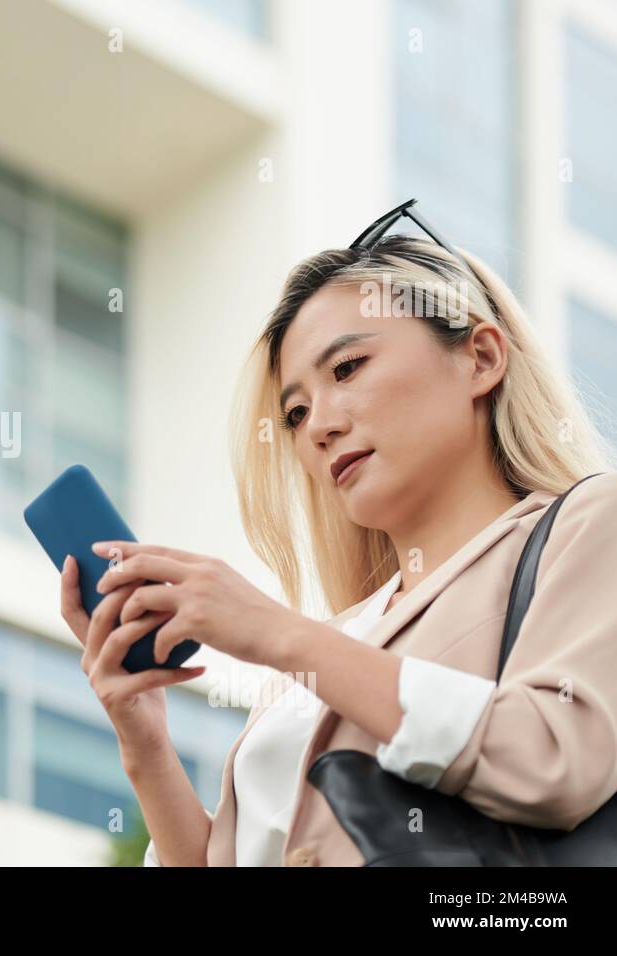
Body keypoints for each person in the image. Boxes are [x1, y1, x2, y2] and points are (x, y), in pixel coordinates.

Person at [58, 201, 617, 866]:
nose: (318, 425)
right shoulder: (328, 654)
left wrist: (278, 634)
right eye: (294, 413)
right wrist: (145, 745)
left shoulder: (586, 524)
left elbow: (554, 759)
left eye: (347, 369)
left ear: (480, 357)